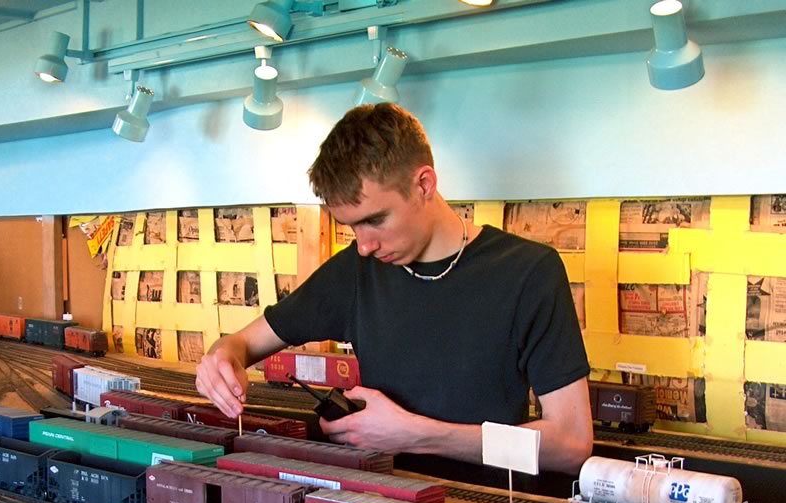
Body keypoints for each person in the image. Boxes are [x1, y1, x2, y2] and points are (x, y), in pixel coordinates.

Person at [195, 103, 593, 474]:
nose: (364, 245)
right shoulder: (356, 271)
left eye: (376, 220)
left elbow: (572, 445)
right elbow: (239, 344)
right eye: (352, 227)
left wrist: (419, 435)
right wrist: (222, 361)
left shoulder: (528, 273)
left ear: (423, 184)